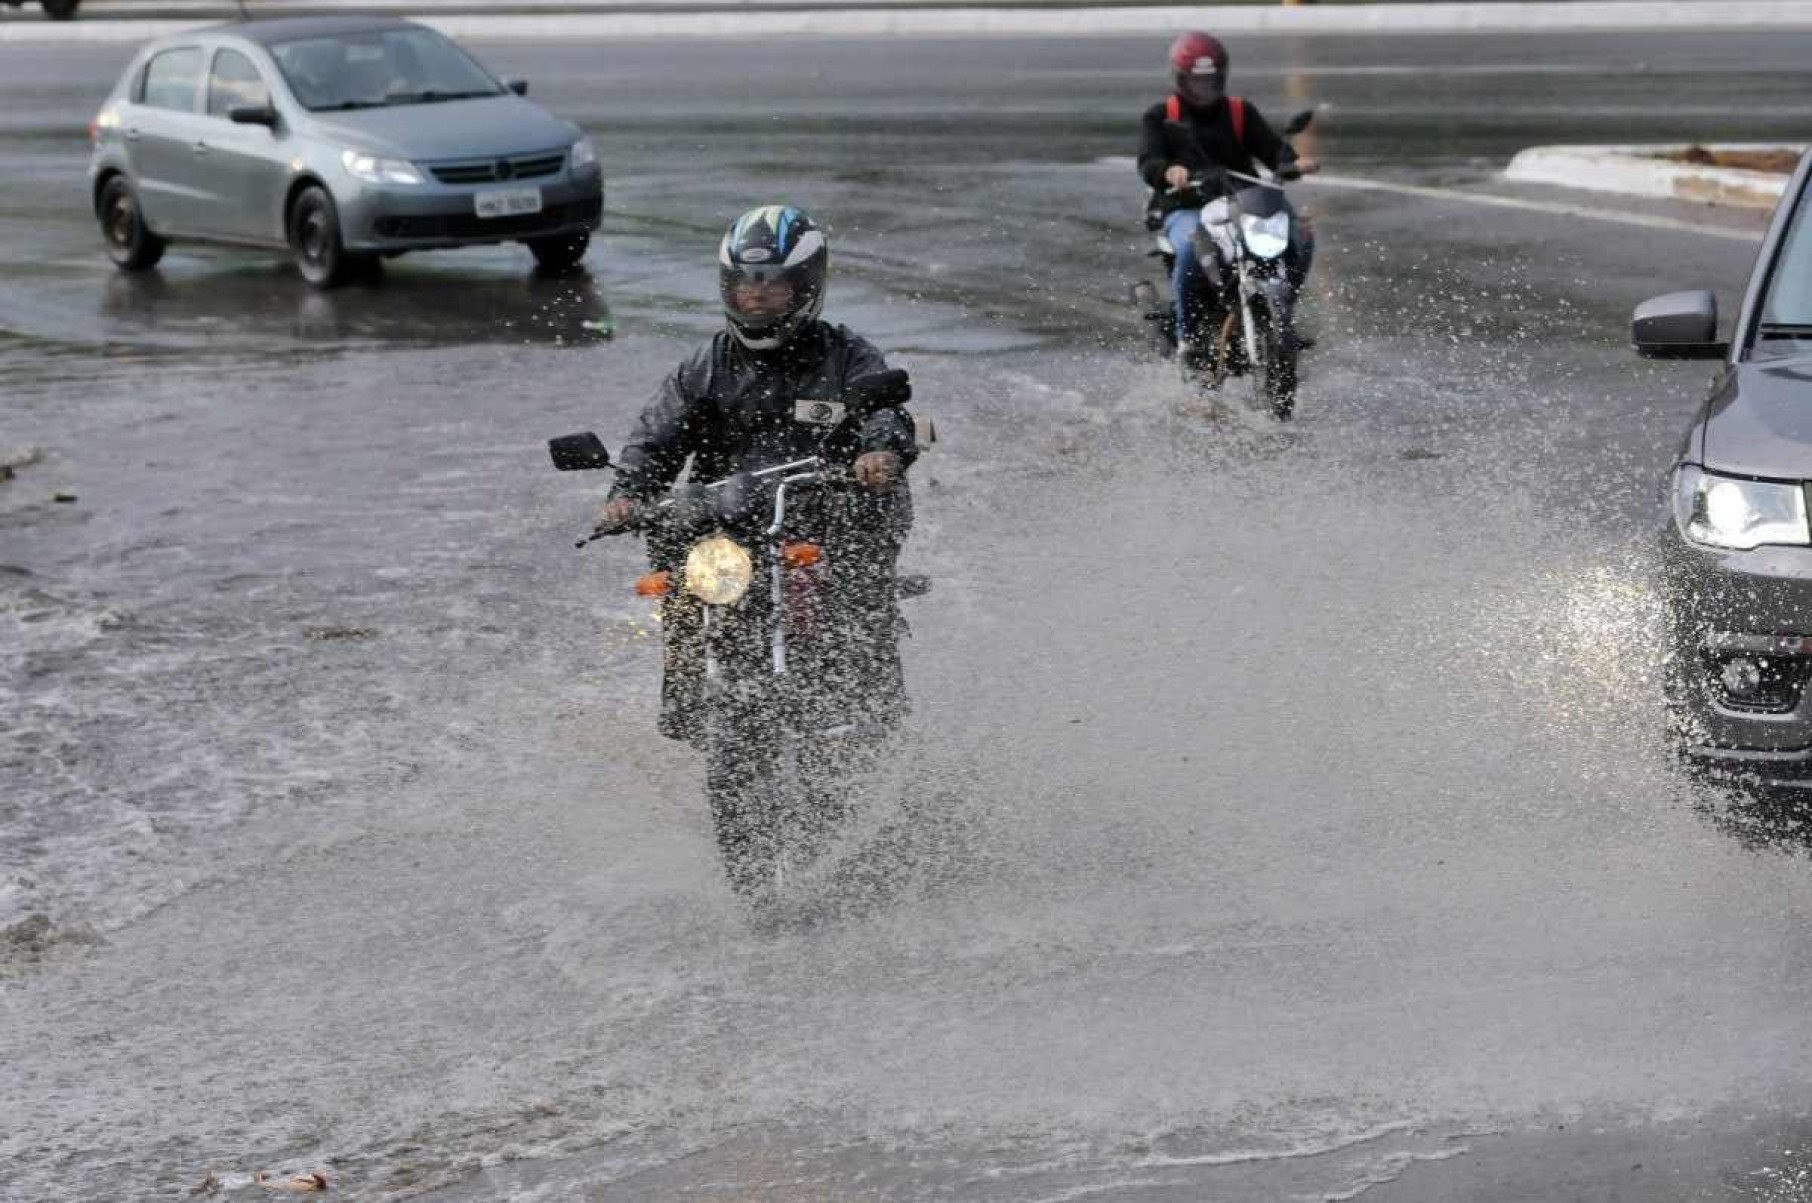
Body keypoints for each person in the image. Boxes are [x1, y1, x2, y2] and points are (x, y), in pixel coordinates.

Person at [595, 205, 917, 742]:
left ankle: (876, 703)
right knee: (675, 560)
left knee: (860, 587)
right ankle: (684, 681)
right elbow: (656, 436)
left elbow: (885, 411)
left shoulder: (846, 355)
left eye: (772, 284)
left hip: (831, 505)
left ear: (807, 286)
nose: (757, 295)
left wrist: (878, 454)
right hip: (734, 513)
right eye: (744, 283)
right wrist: (628, 493)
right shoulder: (705, 366)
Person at [1137, 31, 1319, 364]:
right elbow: (1148, 161)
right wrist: (1168, 172)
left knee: (1298, 235)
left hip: (1242, 201)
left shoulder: (1239, 111)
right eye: (1195, 81)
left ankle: (1283, 316)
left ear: (1222, 76)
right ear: (1180, 78)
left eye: (1210, 80)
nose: (1203, 87)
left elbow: (1272, 150)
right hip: (1186, 206)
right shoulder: (1161, 115)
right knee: (1192, 249)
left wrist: (1292, 163)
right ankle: (1187, 340)